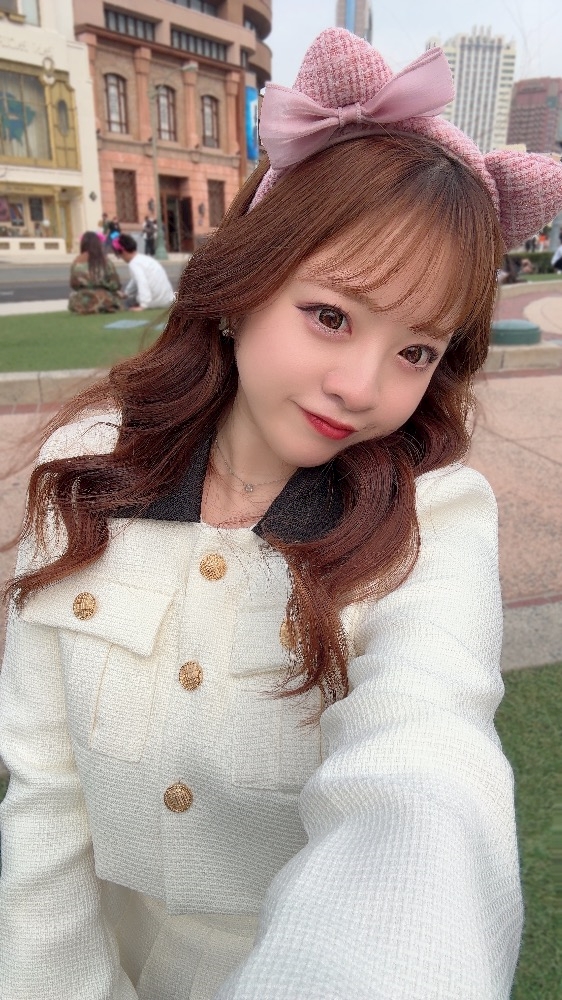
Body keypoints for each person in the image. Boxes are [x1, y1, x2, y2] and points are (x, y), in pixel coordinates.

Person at [1, 28, 562, 1000]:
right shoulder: (86, 469)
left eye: (417, 350)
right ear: (244, 286)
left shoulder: (432, 519)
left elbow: (428, 761)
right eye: (331, 315)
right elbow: (46, 797)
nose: (360, 387)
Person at [113, 232, 174, 310]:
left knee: (127, 303)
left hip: (155, 302)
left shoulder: (134, 263)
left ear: (123, 252)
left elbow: (141, 281)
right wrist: (126, 293)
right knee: (130, 298)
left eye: (119, 254)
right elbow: (135, 280)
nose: (120, 258)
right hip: (167, 300)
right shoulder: (144, 259)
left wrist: (143, 304)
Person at [68, 230, 122, 314]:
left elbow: (73, 284)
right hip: (104, 300)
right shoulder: (105, 260)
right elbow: (115, 284)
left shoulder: (77, 261)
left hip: (81, 302)